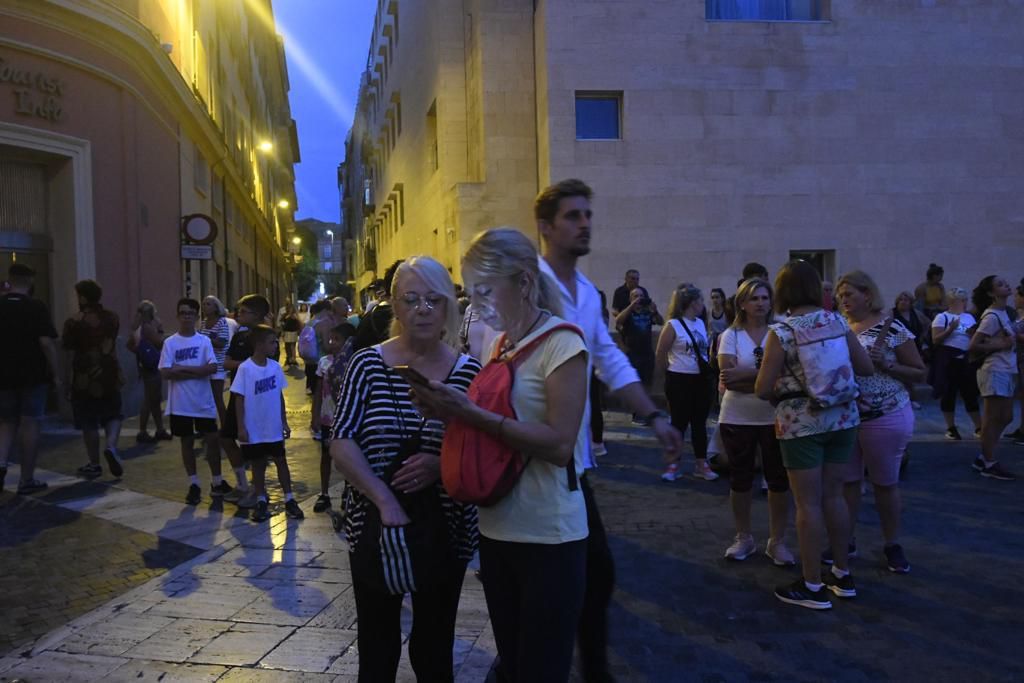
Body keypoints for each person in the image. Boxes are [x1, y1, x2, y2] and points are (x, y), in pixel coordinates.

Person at [411, 230, 587, 683]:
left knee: (540, 669)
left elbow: (560, 444)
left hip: (549, 536)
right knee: (512, 660)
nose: (476, 303)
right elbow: (491, 435)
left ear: (524, 282)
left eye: (485, 290)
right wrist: (448, 413)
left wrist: (471, 413)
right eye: (471, 292)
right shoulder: (498, 346)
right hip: (496, 529)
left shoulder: (563, 345)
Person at [535, 179, 682, 683]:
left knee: (592, 577)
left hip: (571, 461)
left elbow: (609, 359)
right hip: (531, 458)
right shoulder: (528, 284)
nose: (584, 224)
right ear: (546, 227)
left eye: (587, 215)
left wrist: (656, 416)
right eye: (573, 216)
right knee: (562, 585)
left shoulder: (584, 294)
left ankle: (591, 671)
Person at [330, 255, 480, 682]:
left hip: (446, 528)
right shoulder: (368, 365)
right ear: (394, 307)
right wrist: (383, 497)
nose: (423, 309)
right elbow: (341, 441)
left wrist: (439, 464)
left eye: (434, 299)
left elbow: (479, 443)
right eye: (411, 299)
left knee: (435, 649)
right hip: (376, 527)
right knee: (377, 650)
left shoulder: (469, 372)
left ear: (449, 306)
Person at [754, 260, 874, 610]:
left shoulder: (783, 331)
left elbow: (762, 387)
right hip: (844, 417)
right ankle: (841, 573)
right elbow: (865, 367)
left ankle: (812, 585)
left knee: (807, 504)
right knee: (834, 497)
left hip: (801, 423)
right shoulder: (838, 321)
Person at [837, 271, 925, 574]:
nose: (843, 300)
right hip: (847, 417)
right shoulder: (840, 328)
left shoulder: (892, 327)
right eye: (841, 295)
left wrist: (887, 364)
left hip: (884, 414)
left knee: (884, 484)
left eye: (849, 294)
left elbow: (919, 372)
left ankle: (891, 543)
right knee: (848, 482)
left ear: (867, 294)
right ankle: (845, 540)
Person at [718, 279, 793, 565]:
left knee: (778, 480)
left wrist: (752, 377)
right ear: (742, 303)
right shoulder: (731, 336)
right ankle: (743, 536)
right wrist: (768, 377)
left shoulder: (781, 332)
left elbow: (788, 374)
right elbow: (728, 377)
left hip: (775, 415)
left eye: (764, 297)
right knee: (740, 479)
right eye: (754, 298)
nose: (760, 303)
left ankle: (778, 541)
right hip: (738, 415)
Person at [160, 298, 233, 504]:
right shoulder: (170, 343)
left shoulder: (204, 341)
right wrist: (195, 371)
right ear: (177, 315)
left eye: (190, 313)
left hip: (203, 402)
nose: (186, 316)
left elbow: (211, 368)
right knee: (187, 442)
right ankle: (194, 483)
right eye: (183, 313)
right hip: (180, 403)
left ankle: (217, 481)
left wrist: (182, 369)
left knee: (212, 440)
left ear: (196, 316)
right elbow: (165, 372)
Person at [0, 263, 59, 494]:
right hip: (33, 376)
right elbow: (46, 342)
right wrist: (56, 374)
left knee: (6, 422)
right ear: (30, 281)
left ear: (10, 280)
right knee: (30, 423)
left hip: (3, 376)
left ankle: (1, 464)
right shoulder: (36, 307)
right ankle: (26, 478)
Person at [232, 324, 301, 521]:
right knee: (258, 464)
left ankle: (289, 498)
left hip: (272, 426)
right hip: (254, 426)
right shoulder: (245, 368)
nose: (275, 346)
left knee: (281, 460)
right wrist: (241, 427)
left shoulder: (275, 367)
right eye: (272, 342)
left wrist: (284, 421)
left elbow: (278, 395)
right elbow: (239, 398)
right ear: (259, 344)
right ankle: (261, 499)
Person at [63, 279, 126, 479]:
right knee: (113, 413)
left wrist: (66, 380)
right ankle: (111, 446)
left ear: (82, 296)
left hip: (84, 376)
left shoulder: (74, 321)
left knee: (88, 420)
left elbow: (69, 353)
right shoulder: (112, 318)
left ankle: (94, 463)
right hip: (109, 372)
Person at [220, 294, 278, 508]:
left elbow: (270, 366)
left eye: (243, 311)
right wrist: (247, 366)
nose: (238, 314)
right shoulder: (239, 336)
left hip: (259, 399)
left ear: (258, 314)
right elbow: (226, 362)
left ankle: (258, 490)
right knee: (226, 437)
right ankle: (243, 484)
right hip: (238, 394)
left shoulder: (267, 337)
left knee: (256, 447)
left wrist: (246, 366)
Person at [657, 284, 719, 482]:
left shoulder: (700, 324)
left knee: (699, 423)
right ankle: (674, 464)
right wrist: (668, 372)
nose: (703, 304)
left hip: (699, 379)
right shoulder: (673, 325)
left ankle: (701, 463)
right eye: (701, 300)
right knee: (678, 422)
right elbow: (661, 352)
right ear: (692, 302)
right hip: (679, 378)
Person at [968, 275, 1021, 481]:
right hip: (994, 370)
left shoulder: (1004, 313)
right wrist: (999, 345)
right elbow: (973, 346)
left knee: (1006, 416)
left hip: (1006, 369)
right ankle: (988, 462)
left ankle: (984, 455)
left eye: (1005, 282)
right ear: (991, 293)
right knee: (991, 419)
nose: (1006, 285)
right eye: (1000, 284)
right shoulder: (991, 316)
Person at [312, 321, 356, 513]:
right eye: (331, 338)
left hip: (346, 417)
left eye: (337, 339)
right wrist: (315, 414)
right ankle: (324, 493)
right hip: (327, 417)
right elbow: (319, 389)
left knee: (349, 456)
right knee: (325, 456)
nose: (332, 342)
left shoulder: (353, 363)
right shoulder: (324, 362)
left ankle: (349, 489)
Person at [931, 288, 982, 440]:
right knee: (949, 393)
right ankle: (951, 427)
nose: (965, 303)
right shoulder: (942, 317)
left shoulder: (969, 317)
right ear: (953, 301)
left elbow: (973, 336)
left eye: (966, 300)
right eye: (962, 300)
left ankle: (979, 426)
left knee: (970, 393)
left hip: (966, 358)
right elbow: (936, 339)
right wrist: (950, 329)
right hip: (948, 359)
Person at [615, 286, 664, 424]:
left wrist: (655, 311)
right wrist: (631, 306)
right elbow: (618, 320)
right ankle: (636, 413)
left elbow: (661, 322)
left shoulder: (647, 311)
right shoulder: (628, 313)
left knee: (647, 382)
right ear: (630, 298)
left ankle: (647, 412)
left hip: (647, 352)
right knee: (636, 383)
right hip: (633, 353)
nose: (638, 298)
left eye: (640, 295)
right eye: (635, 296)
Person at [127, 300, 169, 443]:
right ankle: (143, 431)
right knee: (150, 399)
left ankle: (160, 429)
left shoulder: (137, 327)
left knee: (154, 399)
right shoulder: (147, 327)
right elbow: (159, 342)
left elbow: (129, 345)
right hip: (152, 366)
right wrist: (161, 330)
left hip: (145, 365)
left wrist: (141, 353)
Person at [893, 291, 932, 362]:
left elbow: (929, 323)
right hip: (899, 347)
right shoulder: (892, 313)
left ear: (911, 303)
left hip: (916, 346)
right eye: (900, 300)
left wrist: (923, 335)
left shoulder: (916, 313)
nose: (902, 302)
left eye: (905, 300)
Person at [278, 301, 302, 367]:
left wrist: (298, 330)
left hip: (293, 332)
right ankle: (288, 358)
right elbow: (281, 321)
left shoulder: (295, 315)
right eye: (289, 308)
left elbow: (298, 323)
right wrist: (282, 328)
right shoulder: (285, 315)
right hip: (286, 332)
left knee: (292, 346)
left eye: (291, 308)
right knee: (287, 345)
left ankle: (293, 359)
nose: (290, 309)